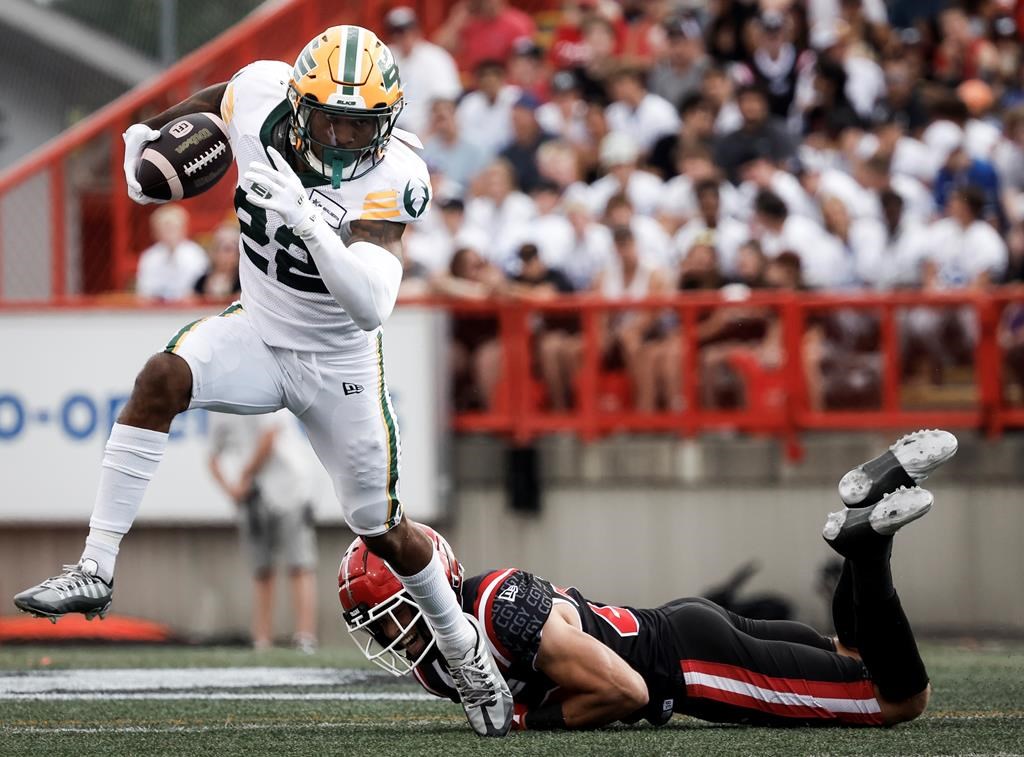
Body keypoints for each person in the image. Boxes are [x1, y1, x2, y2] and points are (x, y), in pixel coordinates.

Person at [12, 24, 514, 738]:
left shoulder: (394, 174)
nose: (342, 138)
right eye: (331, 119)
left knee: (383, 528)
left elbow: (372, 303)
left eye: (359, 124)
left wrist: (312, 225)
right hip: (259, 328)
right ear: (299, 101)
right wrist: (146, 143)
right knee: (161, 378)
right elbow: (213, 104)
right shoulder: (260, 93)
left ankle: (465, 650)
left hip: (338, 361)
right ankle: (96, 564)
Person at [339, 430, 959, 731]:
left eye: (394, 613)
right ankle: (864, 520)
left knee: (899, 701)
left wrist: (529, 723)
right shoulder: (434, 664)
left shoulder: (500, 608)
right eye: (379, 624)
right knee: (854, 654)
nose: (393, 634)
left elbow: (627, 691)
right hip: (681, 628)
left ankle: (870, 547)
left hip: (687, 664)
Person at [208, 410, 318, 653]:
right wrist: (232, 491)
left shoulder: (263, 390)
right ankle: (262, 638)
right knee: (261, 568)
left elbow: (270, 436)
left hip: (290, 487)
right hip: (253, 495)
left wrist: (244, 476)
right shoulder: (218, 409)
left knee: (299, 564)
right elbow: (212, 459)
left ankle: (305, 636)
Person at [135, 204, 209, 301]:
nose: (169, 233)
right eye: (164, 228)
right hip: (156, 311)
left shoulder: (196, 255)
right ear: (155, 231)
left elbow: (199, 290)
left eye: (173, 227)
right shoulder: (149, 257)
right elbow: (144, 292)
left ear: (183, 228)